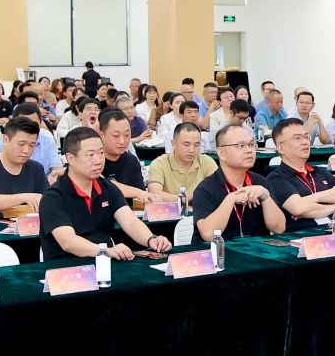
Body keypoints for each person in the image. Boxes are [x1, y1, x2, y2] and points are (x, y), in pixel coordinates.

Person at [39, 127, 172, 261]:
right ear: (71, 159)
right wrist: (105, 251)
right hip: (67, 267)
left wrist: (151, 239)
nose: (98, 160)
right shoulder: (53, 197)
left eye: (101, 153)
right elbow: (68, 242)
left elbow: (130, 221)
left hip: (105, 262)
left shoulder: (108, 188)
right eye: (90, 155)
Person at [193, 124, 286, 240]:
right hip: (219, 250)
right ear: (222, 153)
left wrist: (266, 197)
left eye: (251, 145)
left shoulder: (261, 182)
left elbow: (279, 228)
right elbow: (208, 235)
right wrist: (231, 199)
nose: (249, 150)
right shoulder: (205, 189)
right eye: (240, 145)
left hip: (255, 249)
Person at [267, 119, 335, 232]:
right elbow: (298, 208)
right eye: (297, 138)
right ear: (281, 148)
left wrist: (311, 199)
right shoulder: (276, 178)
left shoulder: (318, 171)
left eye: (306, 137)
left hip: (332, 232)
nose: (305, 142)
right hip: (301, 236)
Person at [0, 117, 48, 218]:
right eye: (21, 144)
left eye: (31, 145)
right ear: (5, 140)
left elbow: (48, 201)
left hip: (29, 225)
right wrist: (25, 197)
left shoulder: (36, 168)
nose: (26, 150)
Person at [147, 122, 219, 200]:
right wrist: (189, 198)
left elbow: (217, 191)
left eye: (196, 145)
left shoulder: (207, 162)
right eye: (186, 144)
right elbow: (155, 194)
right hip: (170, 208)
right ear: (174, 144)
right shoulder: (159, 164)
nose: (191, 150)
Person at [98, 109, 152, 203]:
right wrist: (137, 193)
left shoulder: (131, 161)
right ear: (102, 135)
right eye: (116, 136)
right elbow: (103, 186)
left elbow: (140, 198)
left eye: (127, 135)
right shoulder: (94, 161)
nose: (122, 141)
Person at [1, 102, 63, 180]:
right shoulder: (7, 139)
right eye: (24, 124)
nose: (29, 127)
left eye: (34, 124)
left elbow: (57, 167)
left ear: (41, 122)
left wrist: (55, 174)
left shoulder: (47, 137)